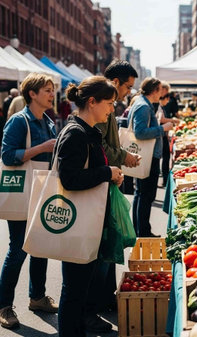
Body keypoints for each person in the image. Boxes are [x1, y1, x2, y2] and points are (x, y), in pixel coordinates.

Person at [55, 77, 123, 337]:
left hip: (87, 222)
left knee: (79, 291)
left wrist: (110, 173)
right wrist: (107, 171)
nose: (111, 109)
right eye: (108, 103)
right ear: (92, 102)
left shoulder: (87, 130)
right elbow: (69, 178)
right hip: (78, 223)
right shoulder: (75, 133)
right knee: (73, 292)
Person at [83, 60, 140, 333]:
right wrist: (122, 159)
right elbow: (100, 146)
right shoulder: (100, 109)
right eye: (128, 86)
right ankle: (91, 309)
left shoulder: (110, 106)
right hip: (101, 183)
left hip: (109, 179)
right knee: (103, 250)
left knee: (108, 248)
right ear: (115, 82)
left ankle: (103, 301)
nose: (129, 91)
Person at [0, 73, 58, 329]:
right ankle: (3, 306)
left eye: (52, 89)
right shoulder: (18, 121)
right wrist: (42, 148)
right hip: (24, 192)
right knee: (18, 250)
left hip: (42, 193)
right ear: (32, 93)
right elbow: (8, 156)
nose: (52, 94)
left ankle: (37, 297)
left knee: (41, 246)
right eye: (47, 89)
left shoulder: (49, 121)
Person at [129, 78, 174, 237]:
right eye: (161, 89)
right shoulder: (144, 106)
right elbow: (140, 132)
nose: (162, 93)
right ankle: (143, 231)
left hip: (146, 156)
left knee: (141, 193)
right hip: (148, 157)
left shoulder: (142, 104)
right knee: (146, 195)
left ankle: (140, 229)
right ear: (154, 90)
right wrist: (162, 128)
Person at [156, 82, 179, 187]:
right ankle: (165, 180)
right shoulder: (158, 105)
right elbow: (161, 119)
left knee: (165, 158)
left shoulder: (159, 104)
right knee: (164, 158)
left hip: (162, 134)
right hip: (161, 134)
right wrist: (172, 121)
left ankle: (165, 179)